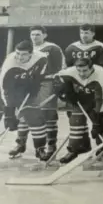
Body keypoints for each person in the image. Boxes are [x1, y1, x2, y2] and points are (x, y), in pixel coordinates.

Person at [10, 26, 66, 160]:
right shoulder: (26, 49)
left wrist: (58, 82)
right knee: (25, 112)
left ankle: (51, 146)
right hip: (28, 84)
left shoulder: (53, 48)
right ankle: (20, 144)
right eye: (33, 35)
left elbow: (61, 68)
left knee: (48, 114)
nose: (35, 37)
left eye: (38, 34)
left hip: (47, 82)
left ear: (44, 35)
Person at [54, 58, 103, 164]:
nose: (81, 73)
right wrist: (67, 91)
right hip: (82, 97)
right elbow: (57, 78)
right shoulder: (70, 71)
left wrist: (96, 121)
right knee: (75, 121)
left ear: (91, 69)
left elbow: (102, 100)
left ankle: (101, 147)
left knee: (100, 124)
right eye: (79, 70)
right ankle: (76, 149)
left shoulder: (100, 76)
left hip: (100, 98)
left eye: (85, 70)